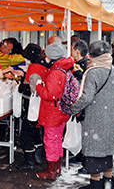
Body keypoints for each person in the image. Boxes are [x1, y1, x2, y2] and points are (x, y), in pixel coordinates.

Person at [70, 40, 114, 189]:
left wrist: (73, 108)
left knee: (94, 154)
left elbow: (86, 97)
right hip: (110, 118)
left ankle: (95, 185)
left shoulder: (93, 71)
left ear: (91, 54)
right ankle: (108, 183)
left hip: (95, 119)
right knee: (107, 153)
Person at [35, 41, 72, 180]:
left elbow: (50, 95)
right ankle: (57, 169)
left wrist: (39, 86)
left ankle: (51, 172)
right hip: (61, 111)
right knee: (57, 140)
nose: (46, 58)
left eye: (47, 55)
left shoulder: (55, 72)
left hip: (53, 113)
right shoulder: (63, 69)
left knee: (50, 141)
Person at [16, 43, 49, 171]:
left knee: (26, 133)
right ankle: (38, 156)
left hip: (31, 105)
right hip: (41, 105)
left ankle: (30, 161)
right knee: (36, 130)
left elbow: (32, 89)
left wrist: (21, 86)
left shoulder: (34, 68)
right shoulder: (43, 66)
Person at [69, 39, 90, 171]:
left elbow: (86, 84)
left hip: (84, 105)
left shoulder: (86, 65)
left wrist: (77, 73)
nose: (71, 52)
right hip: (81, 104)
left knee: (85, 133)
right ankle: (80, 156)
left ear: (77, 51)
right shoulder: (81, 63)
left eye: (72, 49)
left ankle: (86, 161)